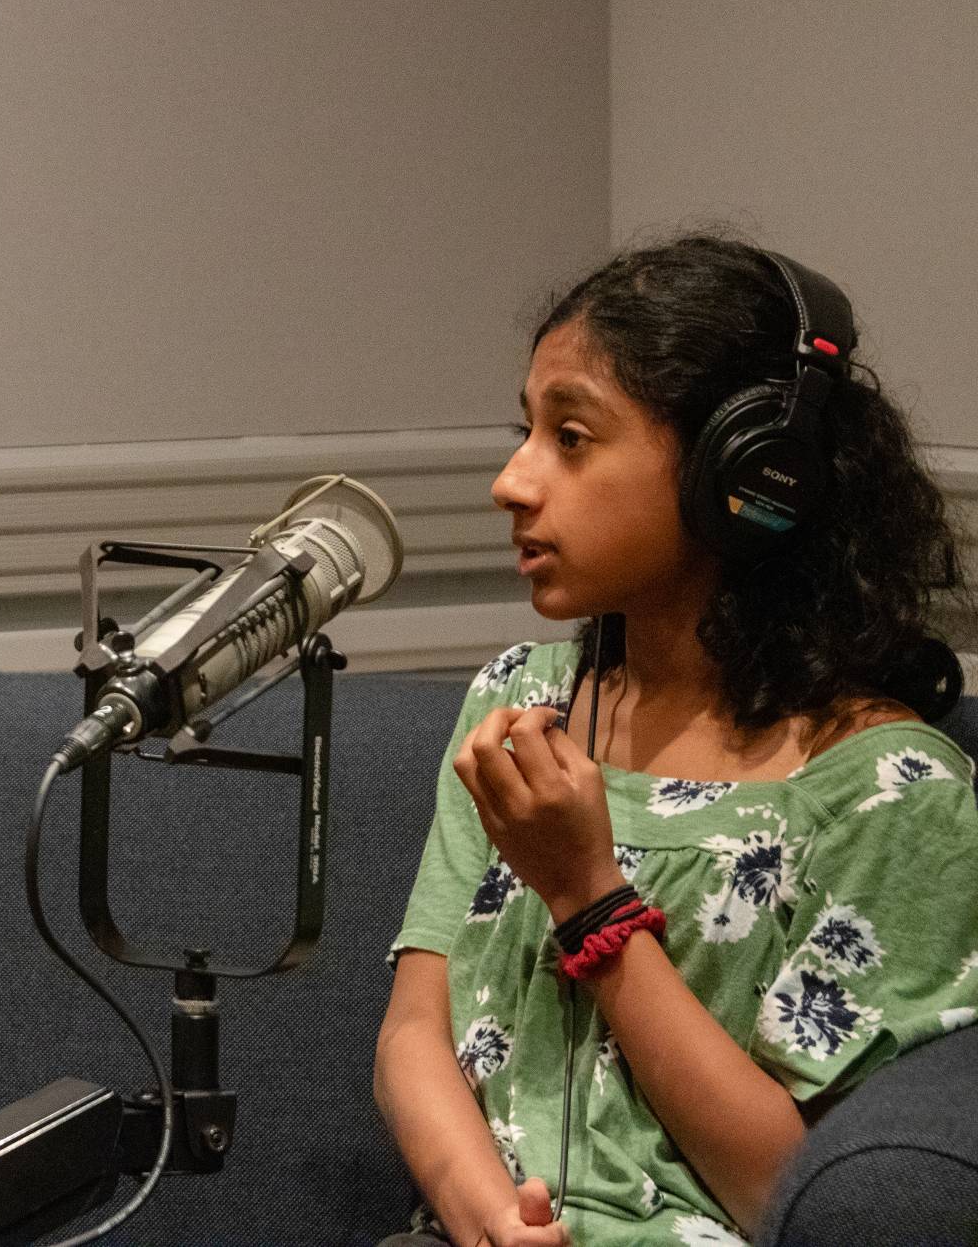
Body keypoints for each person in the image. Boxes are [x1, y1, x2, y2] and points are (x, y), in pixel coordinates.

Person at [374, 235, 978, 1247]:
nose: (511, 481)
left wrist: (589, 900)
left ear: (743, 472)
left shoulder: (891, 790)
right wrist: (487, 1221)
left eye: (571, 437)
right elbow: (411, 1035)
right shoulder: (518, 704)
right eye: (525, 431)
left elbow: (798, 1195)